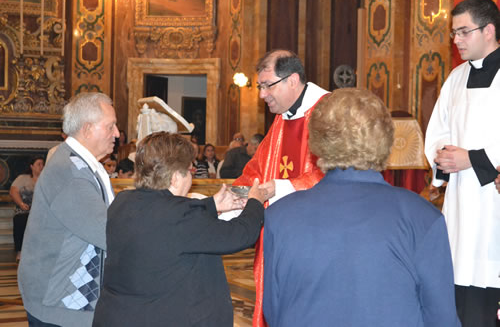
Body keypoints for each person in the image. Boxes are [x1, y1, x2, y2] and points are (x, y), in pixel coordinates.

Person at [263, 88, 460, 327]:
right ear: (386, 138)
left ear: (317, 139)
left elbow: (274, 311)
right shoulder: (422, 218)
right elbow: (441, 318)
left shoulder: (279, 216)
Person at [92, 132, 267, 327]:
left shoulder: (123, 202)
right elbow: (240, 235)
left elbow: (169, 223)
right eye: (189, 170)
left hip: (118, 316)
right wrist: (255, 202)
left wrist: (212, 204)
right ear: (176, 178)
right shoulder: (180, 215)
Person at [233, 49, 329, 326]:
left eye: (266, 85)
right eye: (259, 86)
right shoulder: (282, 117)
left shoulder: (329, 111)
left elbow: (335, 172)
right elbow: (257, 167)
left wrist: (281, 187)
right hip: (277, 231)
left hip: (315, 233)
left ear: (292, 80)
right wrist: (237, 193)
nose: (262, 94)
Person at [424, 0, 500, 326]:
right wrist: (443, 156)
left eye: (464, 32)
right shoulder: (455, 77)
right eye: (454, 33)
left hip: (492, 201)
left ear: (490, 30)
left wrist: (472, 159)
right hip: (459, 202)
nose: (456, 40)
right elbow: (438, 129)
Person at [18, 92, 119, 327]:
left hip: (67, 299)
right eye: (111, 126)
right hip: (60, 305)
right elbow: (109, 233)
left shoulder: (80, 163)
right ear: (87, 128)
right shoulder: (71, 171)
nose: (116, 133)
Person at [9, 156, 44, 262]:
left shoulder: (46, 179)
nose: (41, 166)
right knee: (21, 220)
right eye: (39, 164)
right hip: (24, 209)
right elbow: (13, 191)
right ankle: (20, 251)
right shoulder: (23, 178)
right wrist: (21, 203)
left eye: (43, 164)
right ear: (32, 166)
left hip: (41, 211)